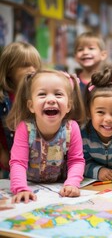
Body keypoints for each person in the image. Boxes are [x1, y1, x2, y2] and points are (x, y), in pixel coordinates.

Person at [6, 69, 86, 203]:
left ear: (68, 106)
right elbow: (18, 162)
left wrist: (72, 183)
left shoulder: (72, 128)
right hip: (29, 185)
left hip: (57, 189)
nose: (51, 100)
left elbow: (76, 161)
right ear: (31, 106)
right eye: (42, 94)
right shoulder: (25, 128)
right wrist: (21, 188)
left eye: (58, 94)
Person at [0, 41, 42, 179]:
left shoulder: (38, 95)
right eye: (24, 65)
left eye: (35, 65)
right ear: (9, 69)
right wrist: (2, 151)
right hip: (9, 159)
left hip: (36, 161)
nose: (32, 69)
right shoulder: (3, 98)